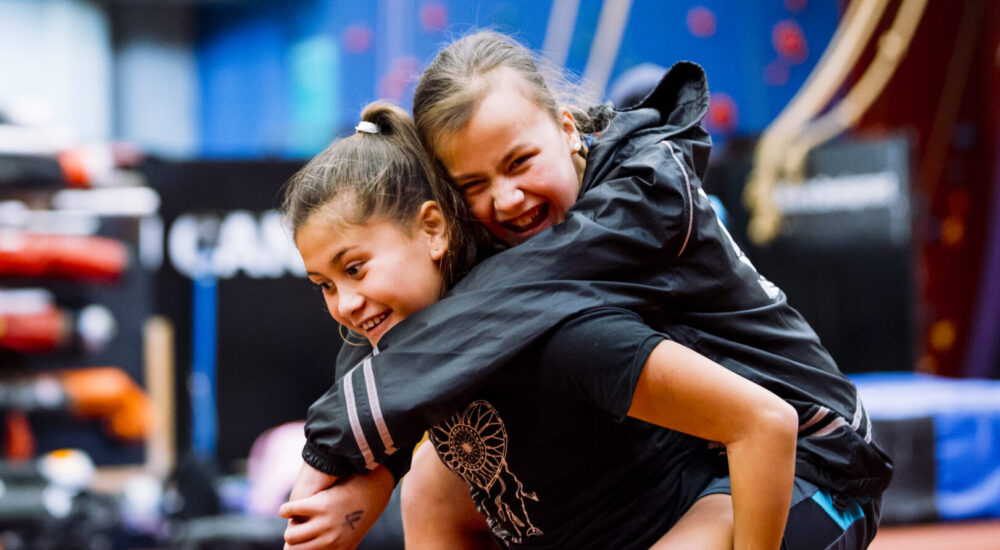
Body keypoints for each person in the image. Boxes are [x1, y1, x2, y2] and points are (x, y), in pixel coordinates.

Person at [281, 31, 892, 549]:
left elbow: (487, 305)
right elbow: (408, 329)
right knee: (437, 475)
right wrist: (372, 465)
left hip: (818, 454)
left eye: (520, 162)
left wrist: (343, 445)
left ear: (567, 129)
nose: (506, 199)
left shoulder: (640, 199)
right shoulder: (521, 244)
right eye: (473, 183)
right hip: (711, 446)